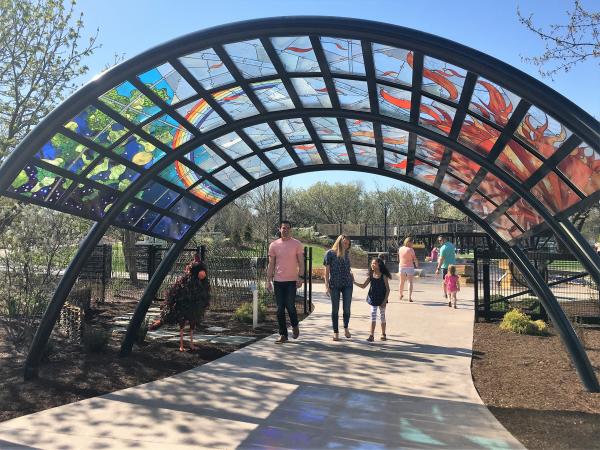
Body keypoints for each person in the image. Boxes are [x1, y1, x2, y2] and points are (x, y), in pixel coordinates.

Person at [149, 258, 210, 352]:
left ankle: (191, 344)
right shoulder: (185, 284)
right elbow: (175, 298)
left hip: (194, 309)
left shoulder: (203, 285)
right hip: (181, 309)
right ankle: (181, 345)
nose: (202, 273)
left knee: (192, 323)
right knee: (182, 325)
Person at [266, 220, 304, 344]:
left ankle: (295, 325)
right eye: (283, 228)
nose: (285, 230)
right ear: (280, 229)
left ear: (290, 230)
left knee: (290, 306)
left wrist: (301, 277)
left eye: (287, 228)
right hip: (278, 281)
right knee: (279, 308)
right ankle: (283, 334)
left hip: (292, 281)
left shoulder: (297, 244)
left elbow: (301, 263)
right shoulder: (274, 245)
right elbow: (271, 264)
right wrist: (268, 280)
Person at [324, 235, 354, 341]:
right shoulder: (330, 253)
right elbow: (327, 272)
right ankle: (335, 332)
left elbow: (348, 268)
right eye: (344, 243)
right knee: (335, 309)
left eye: (348, 244)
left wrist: (351, 273)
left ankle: (346, 328)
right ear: (339, 242)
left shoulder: (347, 253)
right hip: (334, 284)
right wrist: (326, 285)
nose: (346, 245)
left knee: (346, 308)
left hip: (347, 284)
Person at [354, 257, 391, 342]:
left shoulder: (383, 276)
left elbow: (388, 289)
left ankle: (383, 334)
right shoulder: (371, 275)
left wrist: (385, 301)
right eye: (372, 263)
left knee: (382, 316)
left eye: (374, 263)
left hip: (382, 299)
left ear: (379, 265)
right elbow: (363, 286)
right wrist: (353, 281)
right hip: (373, 298)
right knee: (373, 316)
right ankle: (371, 335)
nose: (372, 265)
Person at [435, 235, 457, 303]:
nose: (439, 241)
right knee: (453, 281)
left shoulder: (443, 248)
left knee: (445, 281)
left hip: (445, 267)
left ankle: (445, 294)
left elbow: (441, 259)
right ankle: (453, 294)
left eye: (440, 240)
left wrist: (438, 268)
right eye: (439, 240)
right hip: (453, 266)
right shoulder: (451, 245)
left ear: (444, 239)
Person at [398, 237, 418, 302]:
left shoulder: (400, 249)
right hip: (409, 267)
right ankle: (409, 297)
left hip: (401, 266)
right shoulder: (411, 250)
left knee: (401, 282)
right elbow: (414, 259)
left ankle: (400, 295)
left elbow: (400, 257)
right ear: (409, 242)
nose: (413, 243)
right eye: (412, 242)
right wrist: (417, 264)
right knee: (410, 282)